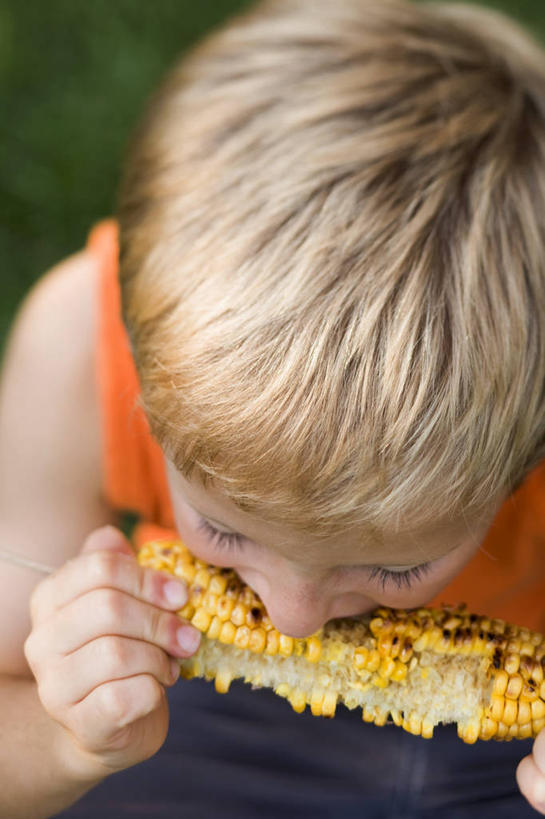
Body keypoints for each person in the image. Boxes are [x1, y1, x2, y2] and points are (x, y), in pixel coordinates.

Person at [1, 0, 545, 815]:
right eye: (224, 530)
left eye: (395, 566)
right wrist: (63, 739)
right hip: (202, 689)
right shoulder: (77, 347)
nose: (293, 621)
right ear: (143, 388)